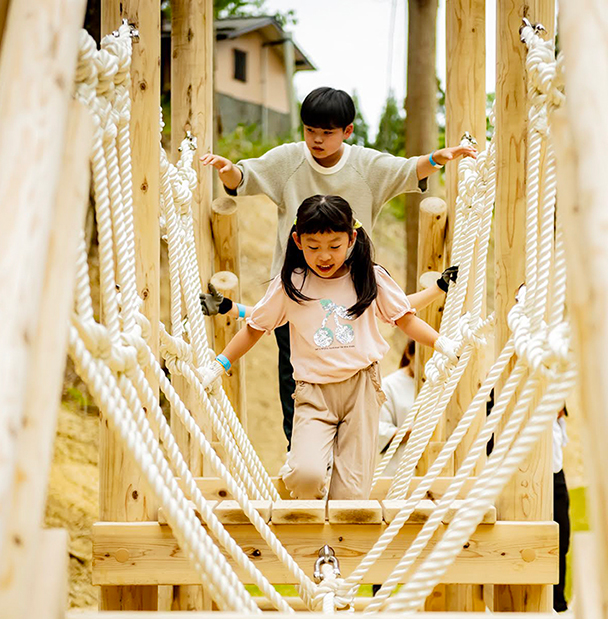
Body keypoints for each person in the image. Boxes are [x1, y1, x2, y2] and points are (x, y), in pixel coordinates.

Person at [199, 87, 476, 449]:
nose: (316, 139)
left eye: (326, 132)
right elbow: (246, 178)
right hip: (297, 287)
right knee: (293, 372)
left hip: (351, 284)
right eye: (309, 130)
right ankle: (298, 446)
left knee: (353, 365)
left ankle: (345, 451)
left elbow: (408, 170)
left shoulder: (366, 166)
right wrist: (228, 171)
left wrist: (438, 159)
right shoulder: (288, 160)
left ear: (347, 131)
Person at [197, 195, 458, 500]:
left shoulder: (370, 278)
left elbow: (404, 317)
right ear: (297, 241)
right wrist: (219, 365)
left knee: (351, 494)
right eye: (314, 246)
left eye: (334, 246)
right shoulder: (291, 285)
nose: (324, 256)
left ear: (351, 239)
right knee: (305, 475)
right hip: (314, 391)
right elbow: (255, 326)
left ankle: (333, 540)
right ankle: (317, 505)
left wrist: (442, 343)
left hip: (361, 388)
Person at [378, 341, 416, 476]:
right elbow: (379, 430)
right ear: (409, 354)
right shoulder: (389, 385)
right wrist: (414, 432)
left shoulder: (443, 383)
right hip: (399, 469)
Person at [552, 405, 570, 613]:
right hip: (530, 476)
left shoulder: (557, 420)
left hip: (555, 474)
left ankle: (558, 602)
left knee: (562, 538)